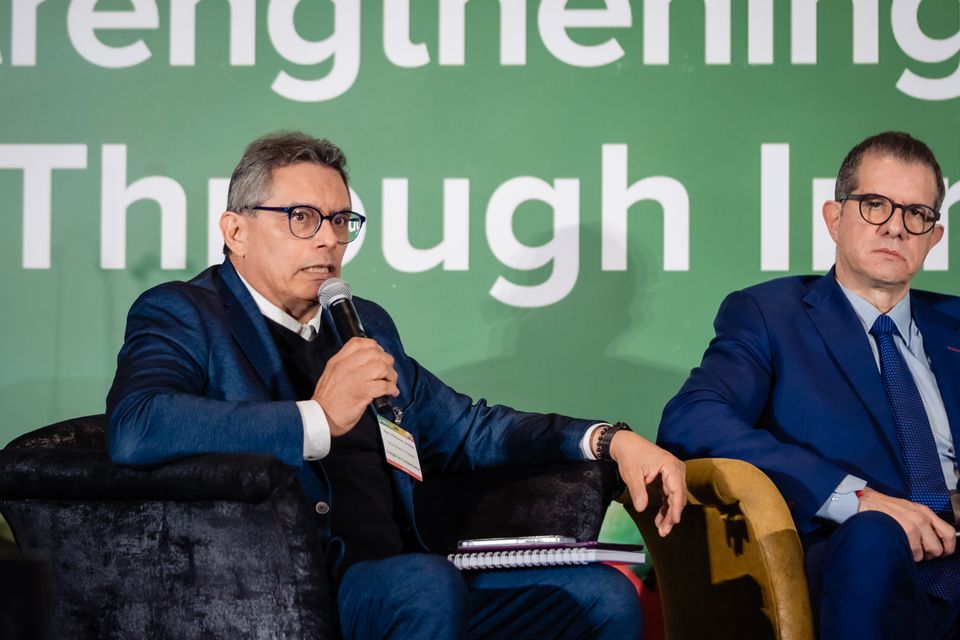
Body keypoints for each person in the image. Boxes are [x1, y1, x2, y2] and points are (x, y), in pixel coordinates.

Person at [106, 131, 686, 639]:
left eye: (340, 221)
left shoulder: (361, 324)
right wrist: (317, 419)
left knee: (601, 598)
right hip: (277, 589)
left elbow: (468, 429)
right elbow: (136, 426)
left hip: (408, 579)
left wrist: (608, 440)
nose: (328, 239)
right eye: (302, 218)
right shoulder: (186, 314)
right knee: (424, 585)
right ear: (236, 230)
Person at [657, 131, 960, 639]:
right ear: (834, 217)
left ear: (934, 237)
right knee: (872, 535)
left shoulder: (954, 324)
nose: (896, 227)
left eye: (917, 214)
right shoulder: (770, 315)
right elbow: (694, 418)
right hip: (859, 560)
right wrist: (855, 497)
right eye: (875, 205)